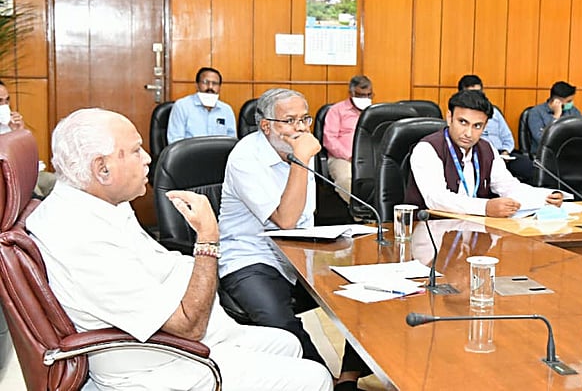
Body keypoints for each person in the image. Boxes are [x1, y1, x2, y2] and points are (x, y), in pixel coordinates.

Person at [27, 108, 331, 391]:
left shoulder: (97, 202)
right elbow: (188, 327)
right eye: (135, 150)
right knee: (315, 378)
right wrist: (208, 239)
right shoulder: (83, 237)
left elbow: (157, 265)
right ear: (102, 168)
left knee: (288, 343)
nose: (147, 158)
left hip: (174, 337)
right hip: (159, 362)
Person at [217, 88, 368, 390]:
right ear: (266, 126)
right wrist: (301, 160)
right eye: (290, 121)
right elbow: (284, 219)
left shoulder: (298, 149)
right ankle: (324, 382)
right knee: (280, 324)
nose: (300, 128)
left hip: (298, 253)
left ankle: (348, 378)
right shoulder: (245, 158)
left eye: (305, 119)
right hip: (251, 257)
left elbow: (303, 218)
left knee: (367, 296)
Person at [406, 89, 563, 217]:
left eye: (477, 126)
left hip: (475, 231)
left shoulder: (486, 149)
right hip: (431, 232)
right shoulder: (427, 148)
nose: (468, 133)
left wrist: (544, 198)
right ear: (449, 117)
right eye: (463, 122)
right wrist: (485, 207)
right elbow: (436, 199)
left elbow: (507, 186)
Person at [457, 74, 532, 181]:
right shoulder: (459, 115)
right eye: (472, 93)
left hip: (503, 155)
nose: (476, 97)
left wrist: (505, 151)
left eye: (479, 93)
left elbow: (507, 137)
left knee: (529, 168)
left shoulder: (494, 112)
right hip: (480, 156)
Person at [0, 79, 56, 196]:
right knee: (35, 193)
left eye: (7, 100)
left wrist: (19, 132)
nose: (4, 106)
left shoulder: (9, 125)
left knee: (57, 183)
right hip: (9, 181)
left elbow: (27, 158)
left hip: (28, 173)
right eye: (0, 101)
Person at [322, 75, 373, 203]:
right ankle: (360, 211)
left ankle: (380, 211)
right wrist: (349, 156)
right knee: (345, 179)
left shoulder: (374, 112)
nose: (365, 98)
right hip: (342, 158)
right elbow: (329, 140)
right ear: (351, 93)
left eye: (369, 95)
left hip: (370, 158)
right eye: (361, 95)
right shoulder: (336, 110)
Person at [167, 67, 237, 143]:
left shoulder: (226, 110)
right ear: (197, 85)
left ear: (219, 87)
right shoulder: (182, 106)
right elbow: (175, 140)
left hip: (219, 150)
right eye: (205, 82)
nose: (210, 87)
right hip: (190, 150)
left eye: (215, 83)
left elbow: (232, 141)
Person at [526, 81, 581, 152]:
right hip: (545, 153)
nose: (571, 103)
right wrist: (556, 116)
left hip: (569, 151)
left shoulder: (573, 110)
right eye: (568, 101)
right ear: (556, 101)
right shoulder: (536, 112)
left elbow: (580, 131)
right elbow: (541, 139)